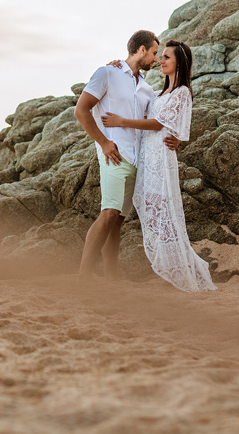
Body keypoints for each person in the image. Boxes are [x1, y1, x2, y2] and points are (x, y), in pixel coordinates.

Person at [101, 40, 216, 292]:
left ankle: (183, 272)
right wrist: (117, 67)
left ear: (179, 63)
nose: (161, 61)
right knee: (153, 213)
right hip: (146, 157)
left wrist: (122, 121)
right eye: (160, 56)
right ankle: (175, 269)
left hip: (160, 160)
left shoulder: (182, 92)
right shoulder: (159, 93)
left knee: (166, 214)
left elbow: (158, 123)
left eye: (166, 57)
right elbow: (142, 104)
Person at [74, 30, 179, 281]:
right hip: (113, 155)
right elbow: (81, 110)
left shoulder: (146, 89)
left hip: (136, 159)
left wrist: (176, 138)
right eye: (154, 53)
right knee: (109, 212)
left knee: (117, 221)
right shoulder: (106, 73)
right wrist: (103, 143)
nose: (155, 59)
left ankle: (111, 279)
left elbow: (157, 121)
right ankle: (83, 278)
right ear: (141, 50)